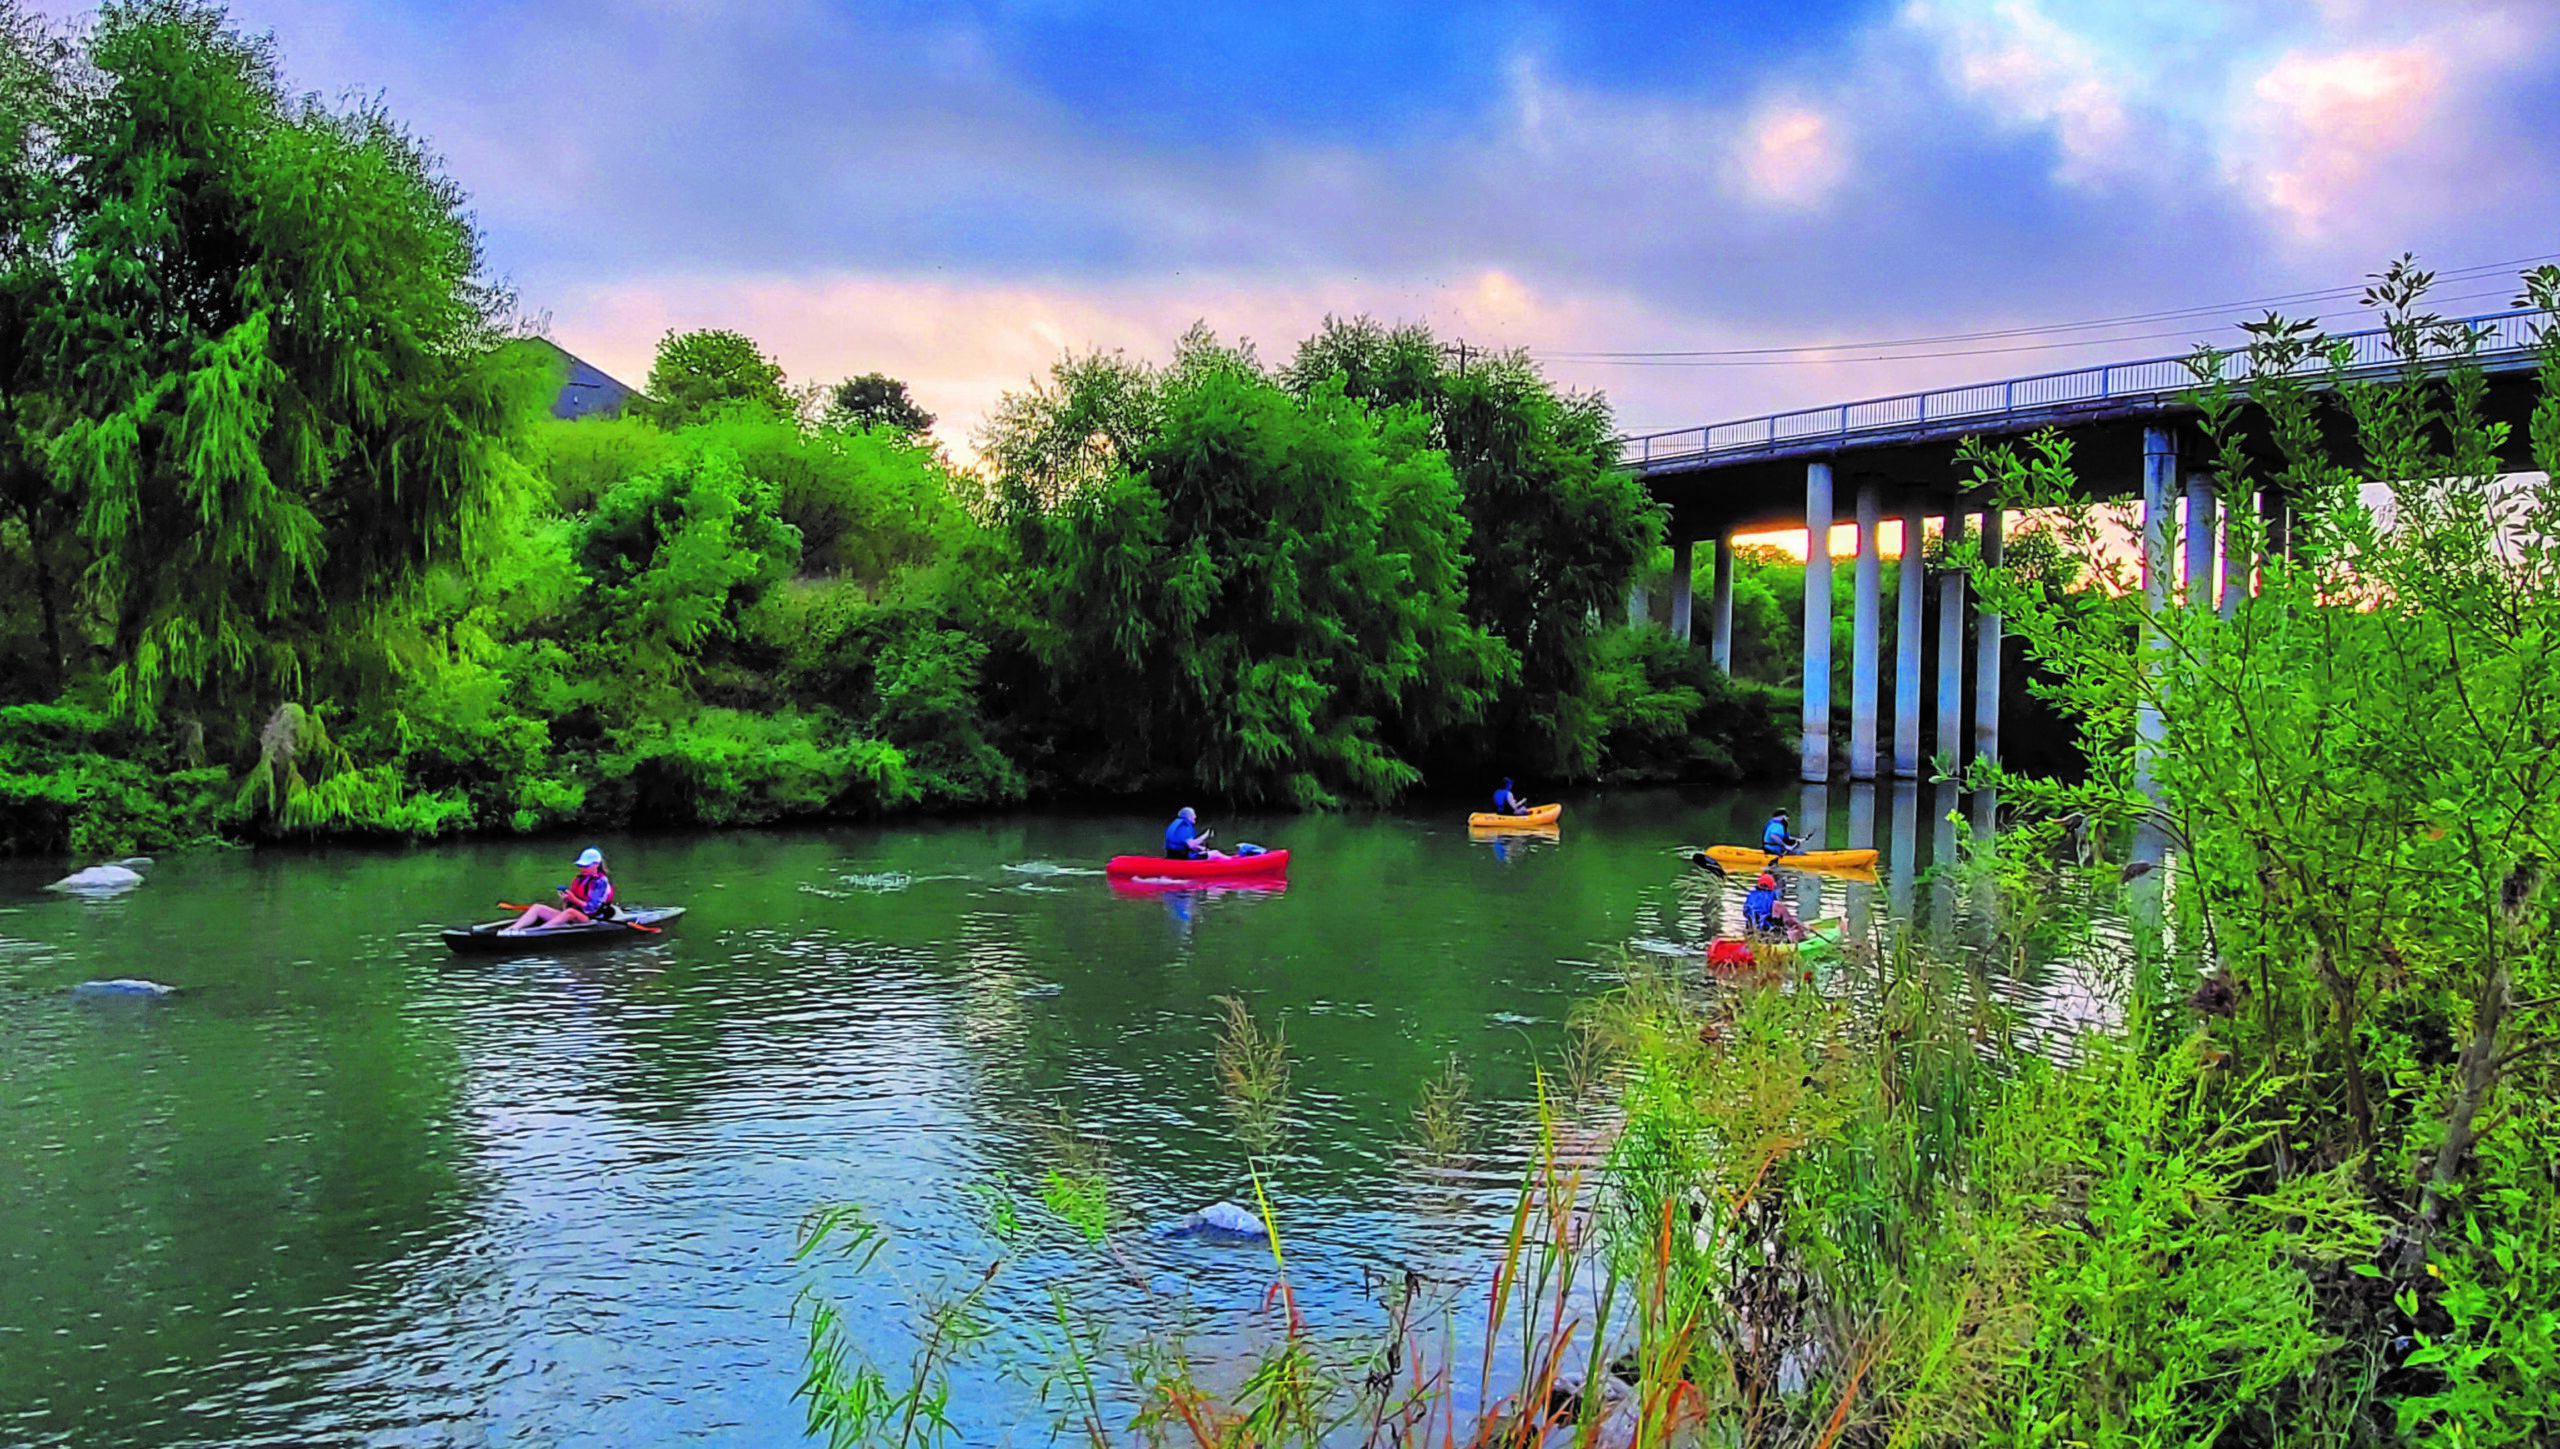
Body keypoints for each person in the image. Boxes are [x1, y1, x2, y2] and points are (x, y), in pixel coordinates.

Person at [509, 848, 615, 930]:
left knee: (570, 912)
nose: (582, 868)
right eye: (580, 865)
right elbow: (568, 907)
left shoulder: (601, 882)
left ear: (596, 864)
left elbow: (593, 908)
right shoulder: (580, 879)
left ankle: (539, 931)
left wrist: (573, 899)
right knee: (537, 907)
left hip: (591, 919)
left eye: (585, 865)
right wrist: (566, 900)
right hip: (575, 915)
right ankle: (512, 929)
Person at [1741, 872, 1806, 942]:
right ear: (1773, 887)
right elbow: (1790, 922)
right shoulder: (1776, 905)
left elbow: (1745, 914)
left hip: (1752, 935)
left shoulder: (1749, 900)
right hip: (1769, 938)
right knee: (1797, 930)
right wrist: (1802, 926)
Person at [1164, 807, 1228, 861]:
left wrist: (1200, 847)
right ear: (1189, 816)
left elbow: (1184, 844)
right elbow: (1191, 845)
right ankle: (1232, 863)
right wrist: (1205, 835)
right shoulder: (1185, 826)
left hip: (1172, 856)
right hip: (1184, 858)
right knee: (1216, 853)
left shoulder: (1176, 824)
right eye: (1194, 814)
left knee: (1204, 851)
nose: (1195, 816)